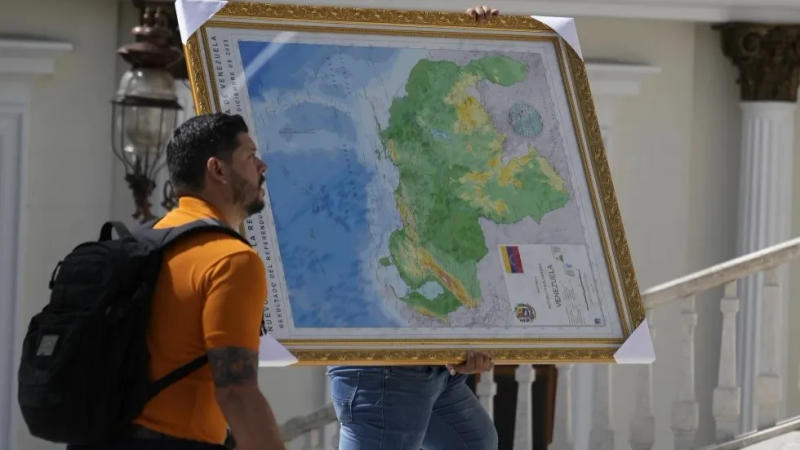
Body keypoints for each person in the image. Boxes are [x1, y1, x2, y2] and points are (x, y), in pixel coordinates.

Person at [327, 6, 501, 450]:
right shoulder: (364, 164)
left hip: (429, 361)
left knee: (474, 442)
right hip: (382, 364)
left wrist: (475, 38)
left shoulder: (433, 169)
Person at [69, 113, 285, 450]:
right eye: (249, 156)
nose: (262, 166)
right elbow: (236, 390)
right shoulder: (231, 259)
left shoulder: (145, 242)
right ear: (217, 170)